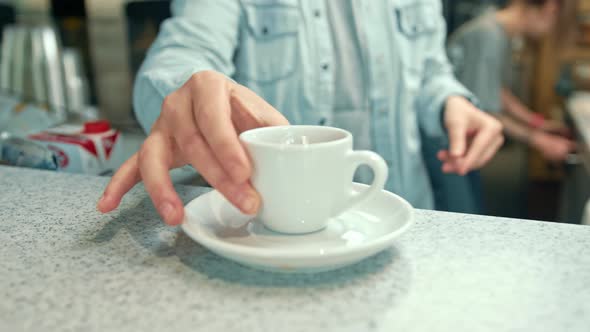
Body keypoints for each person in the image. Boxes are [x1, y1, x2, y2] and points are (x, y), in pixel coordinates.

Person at [97, 0, 504, 226]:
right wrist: (186, 85)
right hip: (279, 230)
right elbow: (181, 50)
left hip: (409, 213)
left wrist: (453, 102)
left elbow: (430, 70)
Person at [424, 0, 575, 214]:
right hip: (446, 144)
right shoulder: (488, 35)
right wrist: (540, 141)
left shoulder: (497, 30)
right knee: (463, 213)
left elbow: (497, 91)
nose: (549, 33)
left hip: (457, 140)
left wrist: (537, 123)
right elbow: (485, 110)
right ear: (551, 9)